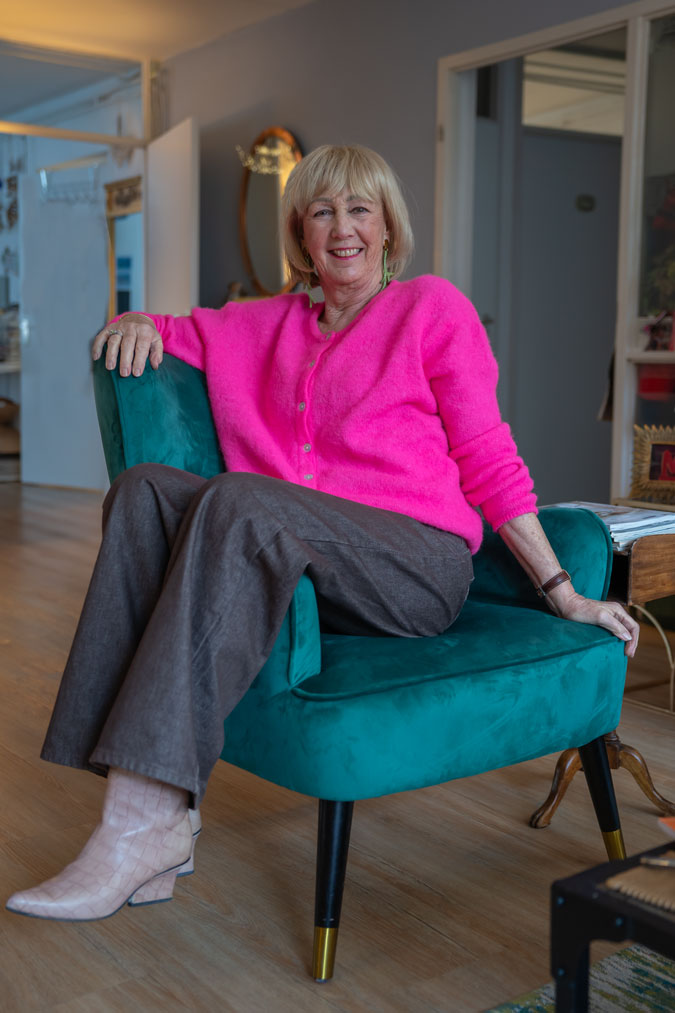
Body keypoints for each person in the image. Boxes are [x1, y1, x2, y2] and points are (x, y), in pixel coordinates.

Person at [6, 144, 639, 922]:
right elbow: (170, 329)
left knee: (241, 499)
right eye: (322, 212)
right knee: (143, 492)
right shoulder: (260, 323)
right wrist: (132, 319)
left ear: (387, 227)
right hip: (307, 566)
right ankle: (142, 812)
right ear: (300, 234)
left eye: (360, 210)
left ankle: (143, 822)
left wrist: (563, 592)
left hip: (416, 569)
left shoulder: (430, 308)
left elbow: (488, 458)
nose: (343, 229)